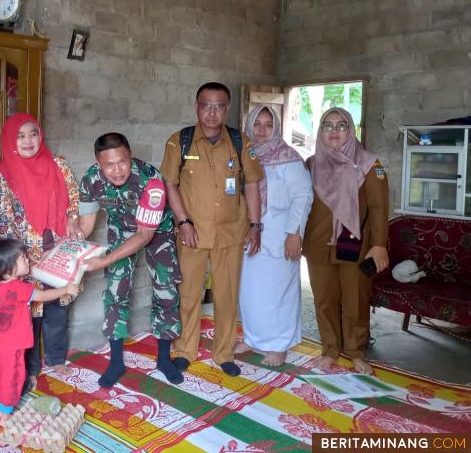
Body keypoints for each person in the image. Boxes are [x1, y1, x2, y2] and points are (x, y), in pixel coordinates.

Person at [160, 82, 264, 377]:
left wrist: (255, 226)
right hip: (192, 233)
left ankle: (224, 352)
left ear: (227, 108)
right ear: (197, 106)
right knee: (189, 293)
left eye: (219, 106)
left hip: (231, 232)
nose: (212, 112)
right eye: (206, 105)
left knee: (226, 295)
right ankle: (184, 350)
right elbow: (170, 184)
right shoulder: (179, 141)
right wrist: (183, 221)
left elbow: (253, 185)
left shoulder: (240, 142)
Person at [79, 132, 184, 387]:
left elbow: (145, 235)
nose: (117, 171)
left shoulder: (151, 180)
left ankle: (163, 359)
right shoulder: (91, 179)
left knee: (166, 290)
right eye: (109, 165)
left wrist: (104, 260)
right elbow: (86, 225)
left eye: (123, 161)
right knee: (115, 291)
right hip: (121, 227)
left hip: (155, 230)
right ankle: (116, 363)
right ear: (98, 163)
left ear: (131, 156)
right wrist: (72, 247)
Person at [0, 113, 81, 386]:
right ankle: (30, 369)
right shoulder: (1, 175)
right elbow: (5, 219)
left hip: (59, 245)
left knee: (58, 307)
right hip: (25, 255)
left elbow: (73, 198)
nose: (28, 141)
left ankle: (55, 359)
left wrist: (72, 220)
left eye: (33, 134)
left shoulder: (58, 164)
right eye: (20, 136)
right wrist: (23, 255)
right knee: (29, 311)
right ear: (10, 140)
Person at [302, 108, 389, 375]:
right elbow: (300, 203)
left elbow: (378, 207)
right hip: (318, 244)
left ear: (351, 130)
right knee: (324, 301)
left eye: (341, 125)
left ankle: (355, 351)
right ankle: (329, 349)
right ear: (320, 131)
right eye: (328, 126)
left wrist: (379, 245)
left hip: (355, 244)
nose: (335, 131)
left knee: (355, 300)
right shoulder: (311, 164)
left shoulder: (369, 164)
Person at [236, 107, 313, 367]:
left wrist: (294, 233)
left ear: (277, 127)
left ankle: (279, 344)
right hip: (250, 232)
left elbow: (303, 196)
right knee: (251, 291)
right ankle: (252, 338)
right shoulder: (243, 155)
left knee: (279, 292)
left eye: (268, 125)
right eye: (256, 124)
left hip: (280, 233)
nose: (261, 130)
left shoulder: (288, 157)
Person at [0, 239, 79, 422]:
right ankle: (5, 415)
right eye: (22, 258)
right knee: (14, 376)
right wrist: (65, 289)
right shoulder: (20, 288)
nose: (27, 260)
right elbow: (43, 296)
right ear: (8, 268)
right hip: (15, 343)